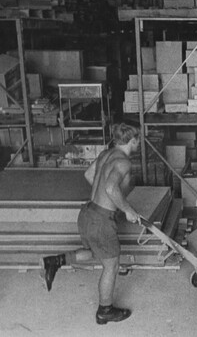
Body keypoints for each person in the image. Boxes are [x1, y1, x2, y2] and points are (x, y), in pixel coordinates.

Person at [40, 123, 142, 325]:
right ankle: (105, 310)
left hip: (87, 213)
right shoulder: (124, 163)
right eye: (138, 140)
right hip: (101, 221)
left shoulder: (106, 154)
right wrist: (127, 210)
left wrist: (103, 201)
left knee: (97, 253)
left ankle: (55, 261)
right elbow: (112, 188)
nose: (139, 143)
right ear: (132, 141)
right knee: (111, 265)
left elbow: (88, 174)